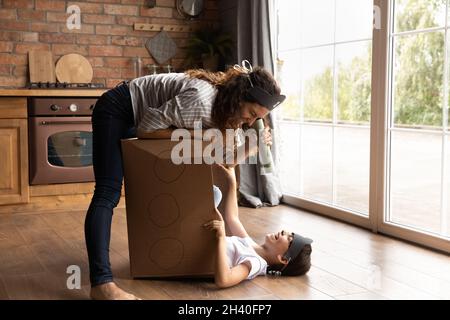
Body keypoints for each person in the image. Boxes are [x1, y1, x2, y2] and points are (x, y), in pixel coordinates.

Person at [85, 60, 286, 300]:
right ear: (240, 97)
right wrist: (197, 135)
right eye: (252, 114)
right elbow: (146, 129)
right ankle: (101, 284)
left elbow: (226, 161)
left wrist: (251, 148)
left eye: (257, 118)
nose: (251, 122)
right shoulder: (202, 102)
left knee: (147, 190)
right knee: (108, 191)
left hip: (144, 114)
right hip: (119, 108)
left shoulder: (230, 114)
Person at [206, 165, 313, 288]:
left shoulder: (256, 262)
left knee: (214, 194)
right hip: (198, 242)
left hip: (193, 251)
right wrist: (232, 182)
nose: (285, 232)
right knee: (214, 193)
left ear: (283, 259)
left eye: (289, 239)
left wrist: (220, 237)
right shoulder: (250, 245)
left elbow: (224, 280)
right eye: (289, 233)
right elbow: (232, 218)